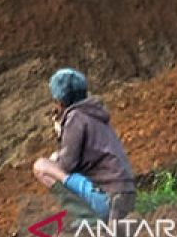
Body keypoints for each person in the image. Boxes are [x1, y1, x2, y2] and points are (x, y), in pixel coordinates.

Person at [32, 68, 136, 222]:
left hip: (107, 197)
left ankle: (90, 221)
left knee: (41, 167)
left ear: (60, 101)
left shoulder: (75, 117)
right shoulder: (94, 113)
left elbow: (67, 164)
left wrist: (60, 135)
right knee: (57, 163)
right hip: (126, 193)